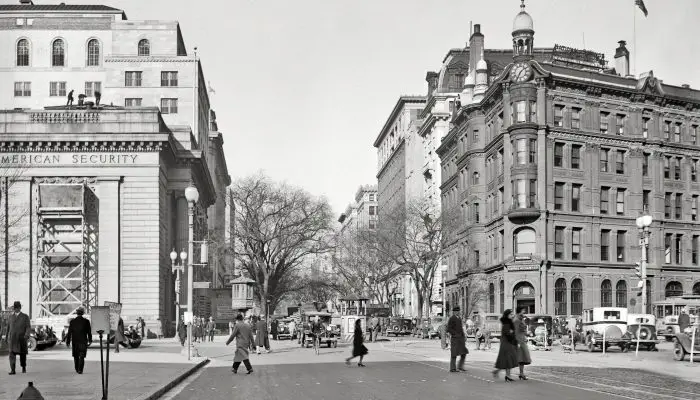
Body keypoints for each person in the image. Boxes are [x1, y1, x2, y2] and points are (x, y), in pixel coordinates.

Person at [493, 309, 519, 382]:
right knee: (508, 359)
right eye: (511, 314)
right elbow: (508, 334)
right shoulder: (507, 323)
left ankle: (505, 374)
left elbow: (511, 333)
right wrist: (512, 334)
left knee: (507, 359)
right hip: (506, 343)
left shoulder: (508, 322)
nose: (512, 315)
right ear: (507, 315)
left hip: (507, 343)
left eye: (512, 314)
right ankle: (505, 374)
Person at [7, 301, 31, 375]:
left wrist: (26, 335)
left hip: (21, 339)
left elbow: (28, 327)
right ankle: (13, 370)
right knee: (11, 354)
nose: (16, 309)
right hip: (12, 339)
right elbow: (8, 328)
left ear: (20, 308)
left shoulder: (25, 316)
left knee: (22, 355)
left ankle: (23, 367)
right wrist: (6, 336)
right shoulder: (10, 317)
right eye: (15, 308)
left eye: (17, 307)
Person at [65, 307, 92, 374]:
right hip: (83, 341)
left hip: (75, 342)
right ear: (83, 313)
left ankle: (77, 368)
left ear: (76, 313)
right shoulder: (86, 321)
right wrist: (90, 340)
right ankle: (80, 370)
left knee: (76, 356)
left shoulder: (72, 322)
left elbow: (69, 333)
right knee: (82, 356)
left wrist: (68, 342)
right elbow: (89, 332)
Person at [446, 306, 468, 372]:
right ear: (454, 312)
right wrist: (455, 334)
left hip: (461, 339)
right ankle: (452, 368)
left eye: (458, 311)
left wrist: (464, 336)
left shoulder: (459, 318)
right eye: (457, 311)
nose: (458, 312)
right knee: (454, 353)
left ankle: (460, 366)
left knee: (464, 352)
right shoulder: (452, 318)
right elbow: (449, 329)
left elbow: (461, 329)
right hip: (455, 339)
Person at [514, 306, 531, 380]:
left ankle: (521, 373)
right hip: (519, 341)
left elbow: (522, 330)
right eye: (523, 311)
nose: (524, 312)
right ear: (519, 311)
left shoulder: (521, 319)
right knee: (518, 358)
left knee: (522, 358)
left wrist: (527, 333)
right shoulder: (516, 320)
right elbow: (515, 331)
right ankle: (506, 373)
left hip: (522, 340)